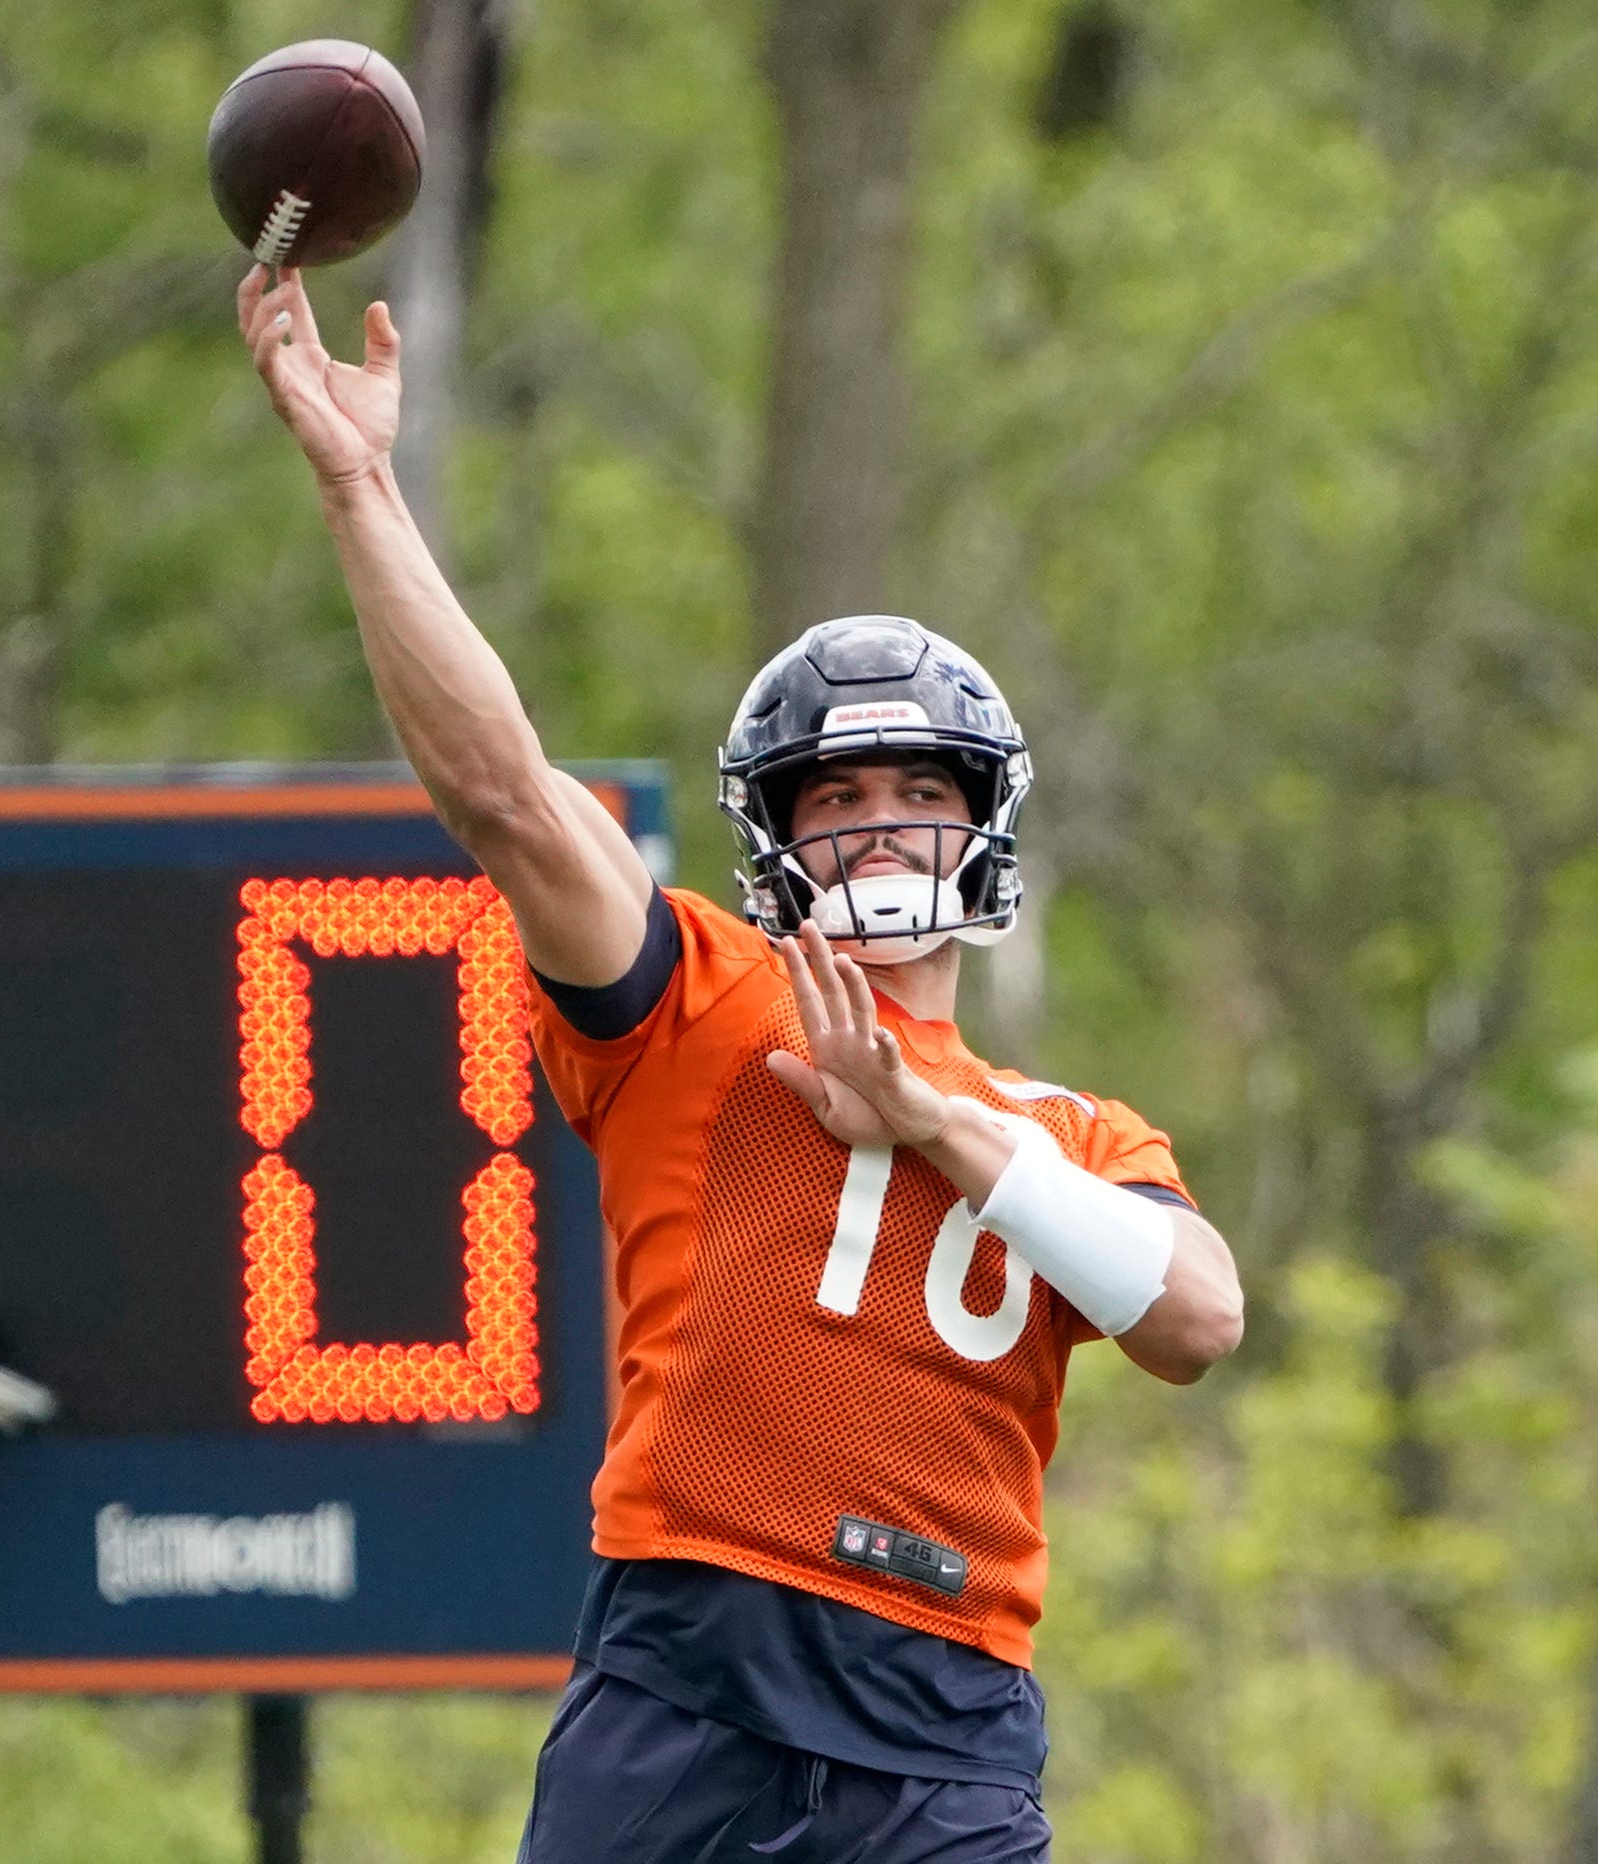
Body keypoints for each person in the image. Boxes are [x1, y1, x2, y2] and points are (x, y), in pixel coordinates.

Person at [239, 269, 1245, 1863]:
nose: (878, 823)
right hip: (693, 1664)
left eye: (917, 783)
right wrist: (361, 483)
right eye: (834, 800)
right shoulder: (704, 994)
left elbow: (1196, 1318)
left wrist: (933, 1126)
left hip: (947, 1715)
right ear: (777, 842)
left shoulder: (1076, 1132)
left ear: (984, 819)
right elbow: (503, 794)